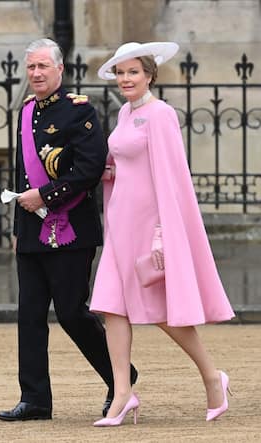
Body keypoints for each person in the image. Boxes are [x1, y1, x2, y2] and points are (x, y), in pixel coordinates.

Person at [90, 41, 235, 427]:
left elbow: (170, 178)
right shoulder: (124, 113)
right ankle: (122, 394)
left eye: (133, 72)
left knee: (162, 313)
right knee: (111, 307)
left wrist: (161, 233)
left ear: (150, 75)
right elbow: (127, 163)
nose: (125, 79)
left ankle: (211, 376)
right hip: (120, 223)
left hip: (149, 227)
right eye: (121, 73)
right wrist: (108, 172)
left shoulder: (161, 115)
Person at [0, 38, 137, 422]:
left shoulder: (80, 112)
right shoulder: (26, 112)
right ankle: (35, 399)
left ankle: (120, 379)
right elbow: (19, 174)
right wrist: (16, 227)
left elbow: (90, 168)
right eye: (32, 67)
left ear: (60, 70)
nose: (37, 73)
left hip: (70, 227)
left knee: (73, 313)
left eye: (43, 66)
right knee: (29, 314)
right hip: (30, 230)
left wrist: (44, 196)